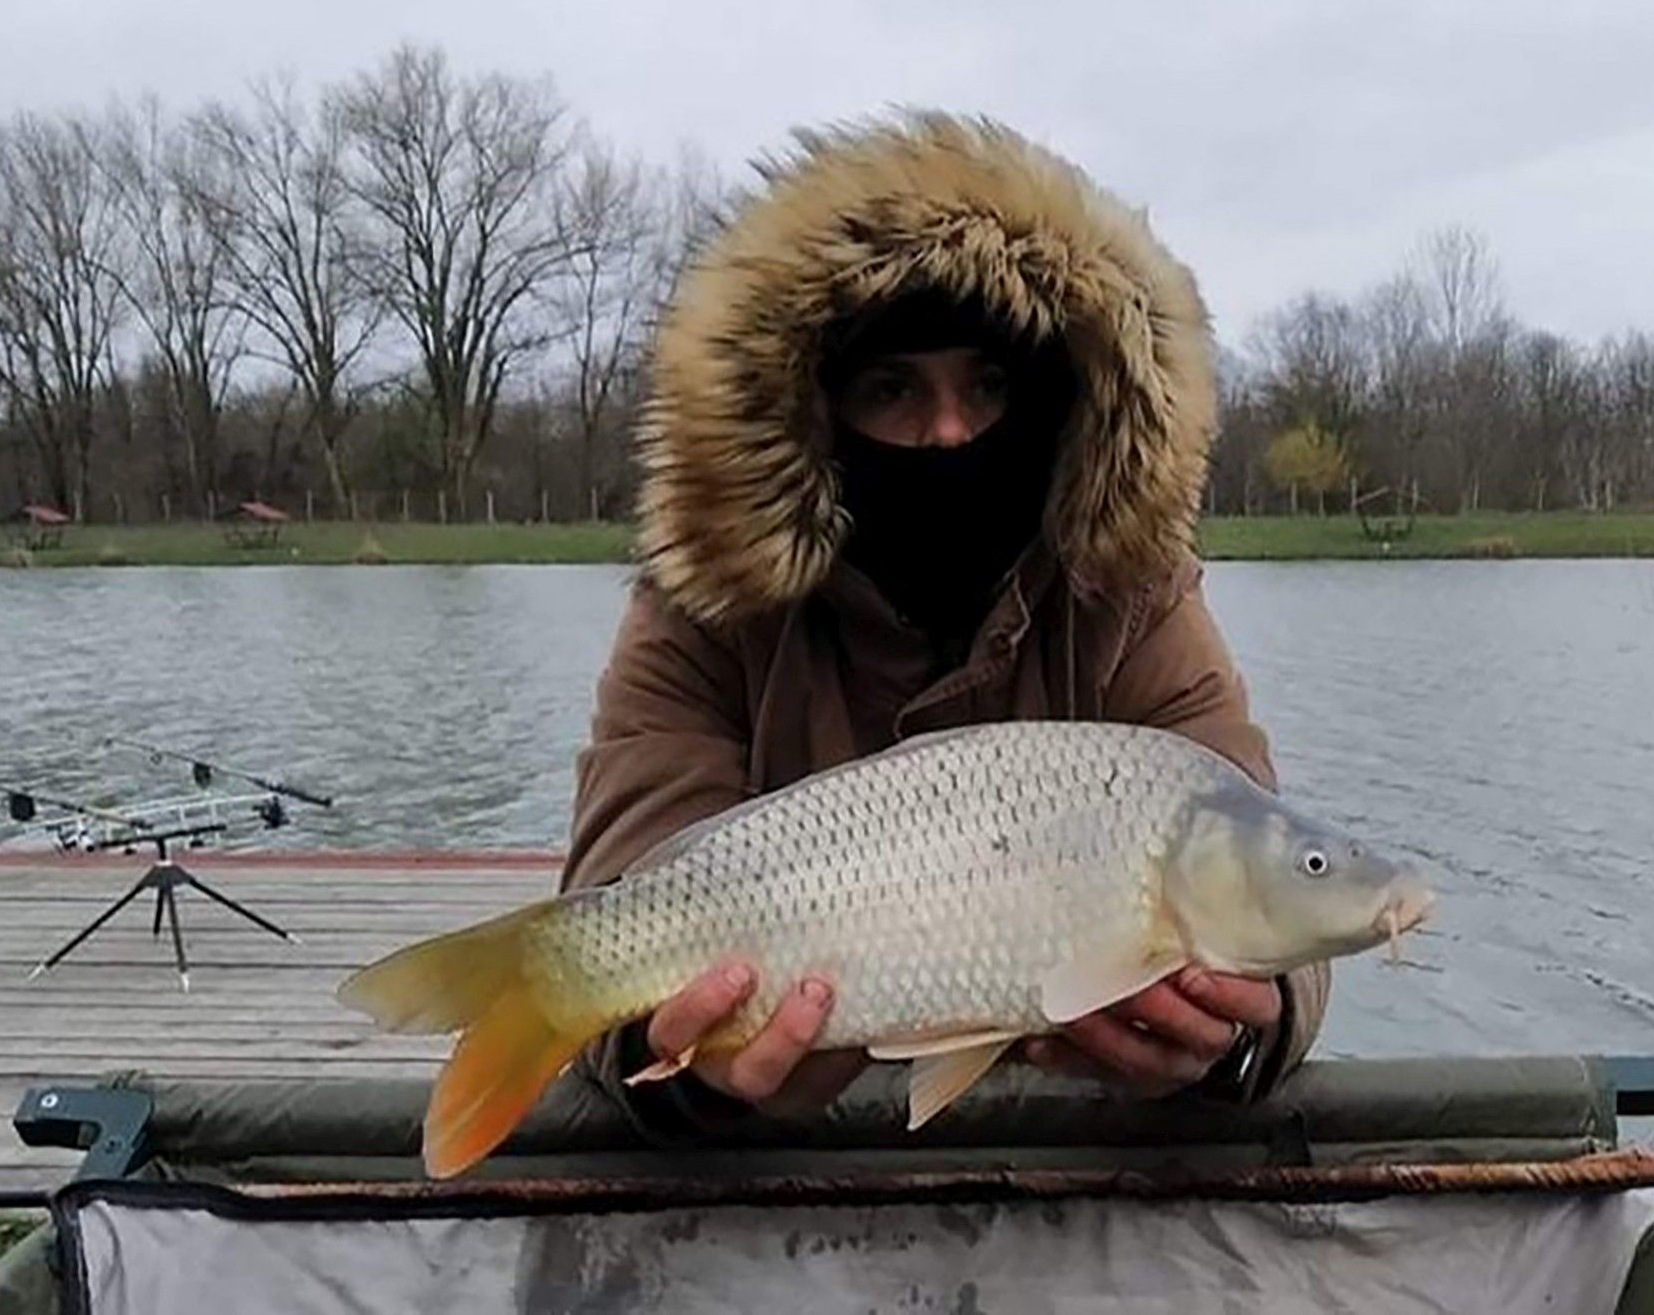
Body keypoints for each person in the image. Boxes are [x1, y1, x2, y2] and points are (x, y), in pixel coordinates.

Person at [563, 112, 1329, 1141]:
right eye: (893, 390)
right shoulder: (703, 603)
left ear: (1053, 402)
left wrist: (1245, 1031)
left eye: (988, 385)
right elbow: (619, 894)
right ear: (816, 413)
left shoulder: (1129, 594)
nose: (950, 433)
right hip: (778, 1173)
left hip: (1062, 1168)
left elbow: (1260, 863)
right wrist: (688, 1073)